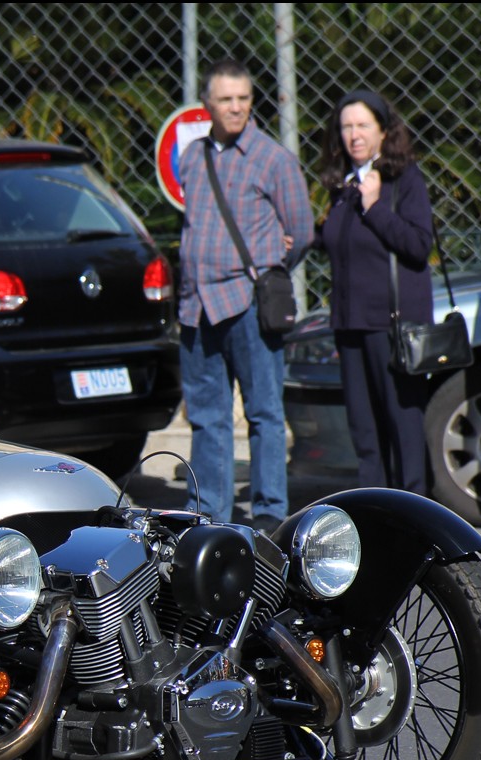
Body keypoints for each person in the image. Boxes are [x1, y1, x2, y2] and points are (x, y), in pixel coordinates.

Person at [177, 58, 315, 530]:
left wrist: (270, 269)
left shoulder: (274, 159)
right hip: (196, 307)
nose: (236, 108)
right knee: (207, 418)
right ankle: (206, 514)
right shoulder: (191, 157)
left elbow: (301, 229)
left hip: (247, 304)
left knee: (263, 414)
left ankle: (270, 515)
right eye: (225, 99)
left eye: (243, 99)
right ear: (207, 105)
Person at [313, 91, 435, 496]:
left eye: (363, 125)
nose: (354, 135)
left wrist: (375, 206)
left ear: (384, 131)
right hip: (350, 326)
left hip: (391, 325)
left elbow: (419, 245)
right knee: (364, 433)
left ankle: (415, 515)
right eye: (346, 126)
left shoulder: (403, 180)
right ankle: (374, 518)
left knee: (402, 425)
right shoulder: (340, 187)